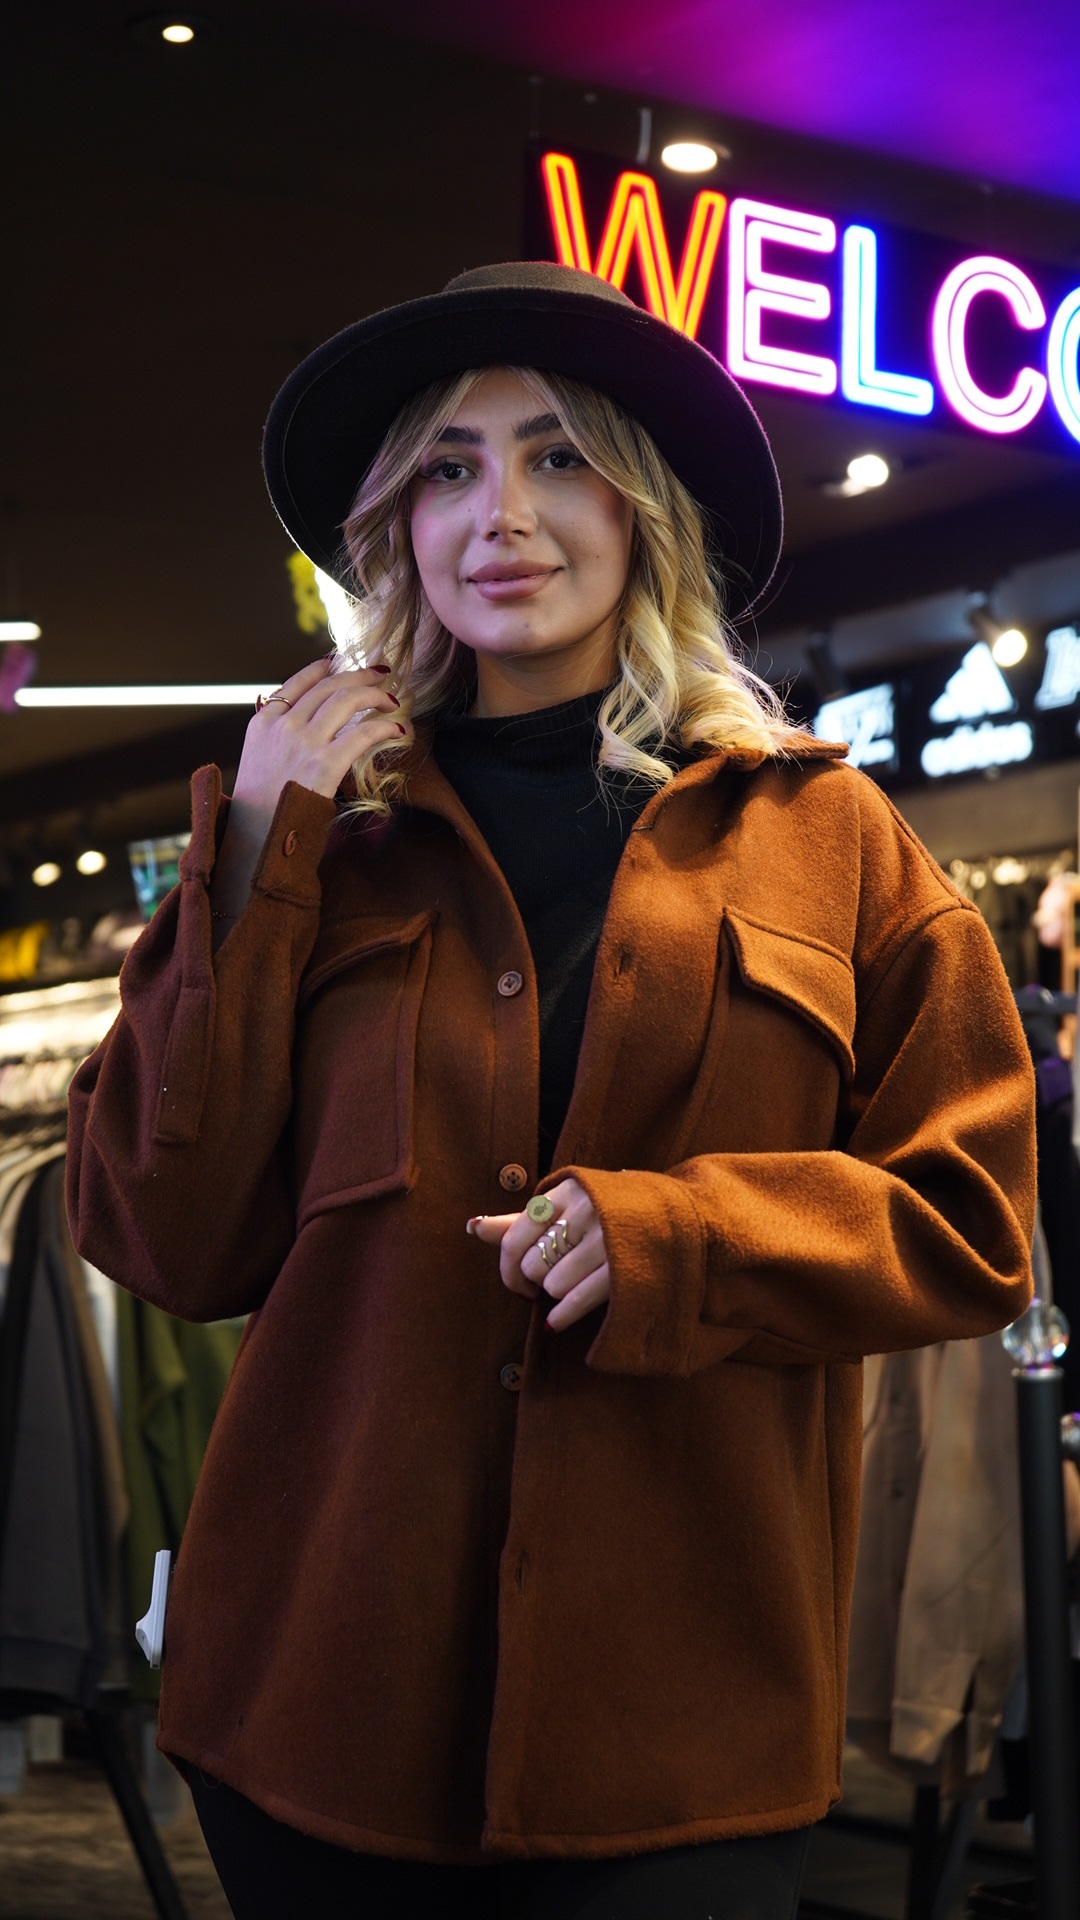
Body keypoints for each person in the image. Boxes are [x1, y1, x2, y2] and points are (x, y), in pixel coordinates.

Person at [67, 263, 1036, 1919]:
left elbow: (974, 1220)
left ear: (644, 507)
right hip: (320, 1713)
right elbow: (164, 1237)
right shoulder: (319, 850)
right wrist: (251, 857)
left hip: (680, 1725)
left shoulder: (828, 840)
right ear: (397, 529)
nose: (500, 514)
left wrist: (686, 1240)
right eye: (447, 468)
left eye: (559, 456)